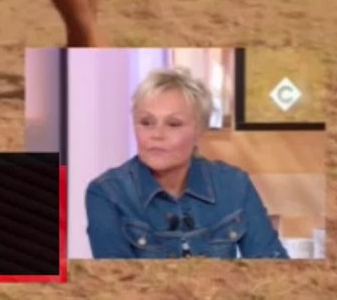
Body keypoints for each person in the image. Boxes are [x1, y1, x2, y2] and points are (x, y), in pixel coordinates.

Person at [84, 67, 288, 260]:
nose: (157, 135)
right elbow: (118, 285)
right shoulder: (107, 193)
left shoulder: (234, 185)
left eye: (173, 124)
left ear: (199, 130)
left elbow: (274, 270)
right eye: (146, 122)